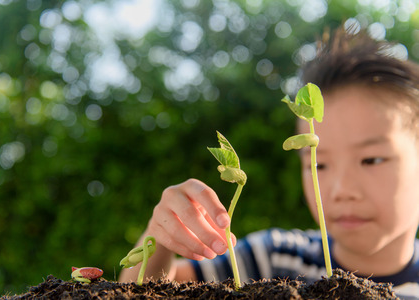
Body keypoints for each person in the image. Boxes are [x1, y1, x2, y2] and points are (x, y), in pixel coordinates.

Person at [119, 26, 419, 299]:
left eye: (371, 159)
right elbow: (145, 290)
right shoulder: (275, 258)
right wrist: (158, 240)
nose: (342, 190)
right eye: (318, 165)